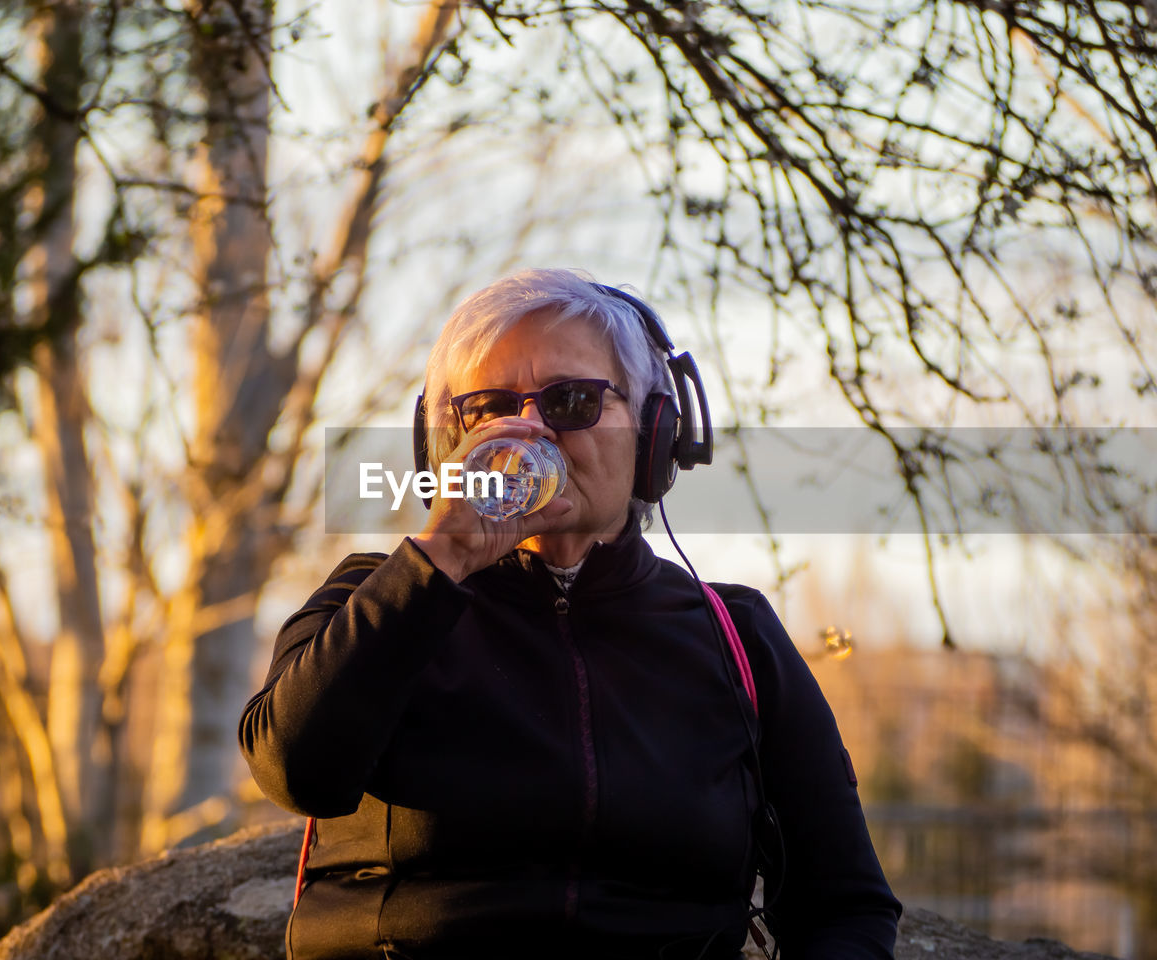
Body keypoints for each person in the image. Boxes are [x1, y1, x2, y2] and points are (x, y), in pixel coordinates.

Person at [239, 269, 901, 959]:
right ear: (442, 449)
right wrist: (440, 558)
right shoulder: (380, 599)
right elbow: (296, 771)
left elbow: (844, 904)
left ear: (656, 432)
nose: (529, 433)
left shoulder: (735, 636)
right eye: (488, 409)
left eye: (572, 401)